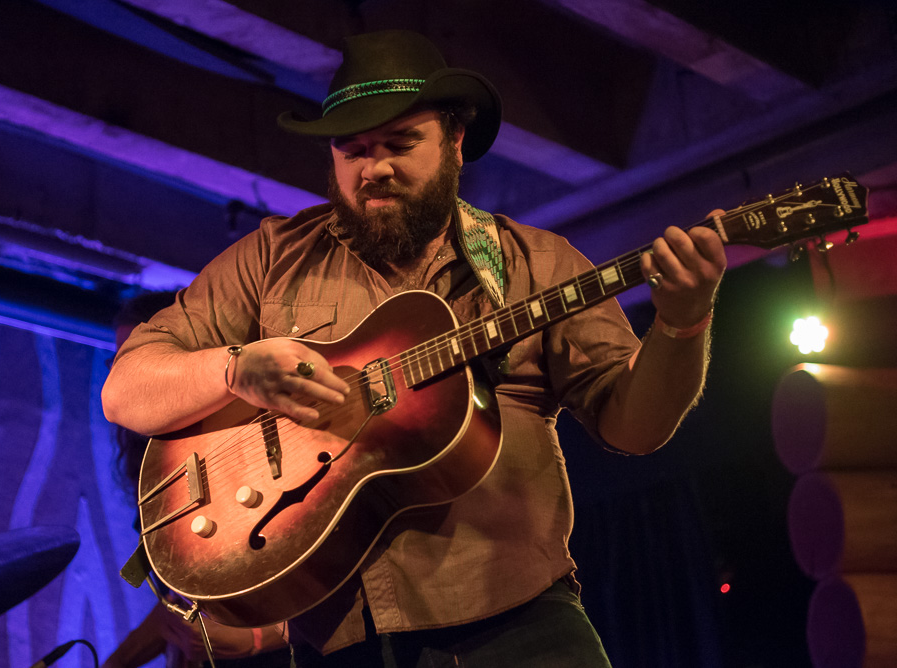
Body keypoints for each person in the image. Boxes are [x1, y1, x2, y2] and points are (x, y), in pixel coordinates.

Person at [102, 30, 726, 668]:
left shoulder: (538, 263)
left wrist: (682, 324)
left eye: (401, 144)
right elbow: (125, 391)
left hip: (518, 622)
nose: (374, 169)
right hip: (337, 640)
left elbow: (634, 429)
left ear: (455, 142)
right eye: (353, 150)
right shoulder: (269, 258)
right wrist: (235, 370)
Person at [103, 292, 290, 668]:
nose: (124, 379)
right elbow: (175, 608)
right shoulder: (158, 468)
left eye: (134, 361)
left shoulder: (246, 433)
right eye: (117, 364)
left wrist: (256, 639)